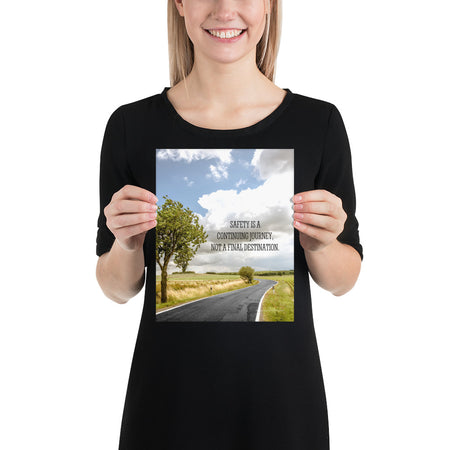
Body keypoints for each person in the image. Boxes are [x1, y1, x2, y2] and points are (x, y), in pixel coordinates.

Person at [95, 0, 363, 449]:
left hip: (284, 408)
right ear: (180, 4)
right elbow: (116, 288)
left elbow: (343, 280)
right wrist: (126, 244)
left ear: (269, 6)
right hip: (166, 408)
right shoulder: (130, 126)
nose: (225, 9)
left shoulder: (319, 124)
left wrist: (321, 244)